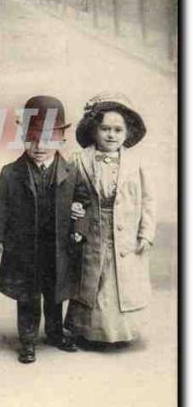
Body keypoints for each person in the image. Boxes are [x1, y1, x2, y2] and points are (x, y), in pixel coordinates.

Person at [0, 95, 79, 364]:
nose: (39, 146)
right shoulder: (10, 173)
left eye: (47, 139)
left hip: (57, 246)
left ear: (61, 140)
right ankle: (27, 341)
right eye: (32, 138)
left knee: (54, 293)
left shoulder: (71, 172)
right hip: (24, 248)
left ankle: (54, 333)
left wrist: (78, 225)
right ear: (23, 137)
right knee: (27, 295)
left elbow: (82, 201)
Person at [65, 93, 155, 347]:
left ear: (127, 133)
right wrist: (73, 207)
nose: (111, 135)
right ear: (94, 130)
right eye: (105, 129)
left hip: (125, 233)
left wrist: (146, 232)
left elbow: (148, 200)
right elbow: (69, 193)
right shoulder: (79, 159)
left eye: (118, 130)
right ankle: (89, 332)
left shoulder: (136, 164)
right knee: (95, 278)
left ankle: (122, 332)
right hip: (92, 230)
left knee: (120, 281)